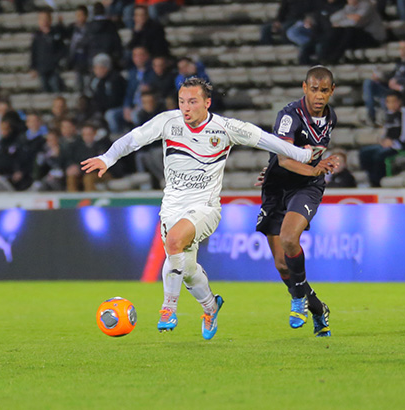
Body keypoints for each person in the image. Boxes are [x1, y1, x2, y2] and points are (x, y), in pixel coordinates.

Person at [82, 77, 335, 340]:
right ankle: (211, 306)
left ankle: (168, 309)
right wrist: (107, 158)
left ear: (207, 103)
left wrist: (303, 155)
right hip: (171, 208)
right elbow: (133, 139)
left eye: (192, 102)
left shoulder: (225, 128)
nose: (186, 108)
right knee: (187, 269)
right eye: (182, 101)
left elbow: (265, 140)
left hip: (205, 207)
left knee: (174, 241)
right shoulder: (168, 122)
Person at [256, 66, 340, 337]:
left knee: (290, 239)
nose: (319, 96)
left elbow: (311, 156)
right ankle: (318, 309)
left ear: (332, 91)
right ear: (305, 88)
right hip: (277, 189)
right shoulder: (289, 117)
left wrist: (316, 171)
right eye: (314, 89)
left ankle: (298, 299)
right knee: (282, 264)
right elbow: (283, 159)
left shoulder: (330, 117)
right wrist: (275, 170)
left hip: (306, 187)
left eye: (324, 90)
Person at [359, 91, 405, 187]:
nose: (391, 104)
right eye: (388, 102)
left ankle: (379, 182)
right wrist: (383, 140)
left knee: (379, 155)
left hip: (401, 145)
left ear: (400, 102)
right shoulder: (388, 114)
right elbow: (386, 130)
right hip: (388, 144)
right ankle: (371, 178)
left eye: (394, 101)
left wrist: (394, 142)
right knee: (364, 152)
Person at [29, 8, 67, 92]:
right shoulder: (37, 36)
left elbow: (62, 49)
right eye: (42, 19)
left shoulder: (56, 33)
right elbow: (34, 52)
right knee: (45, 89)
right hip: (42, 68)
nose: (44, 21)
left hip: (54, 68)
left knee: (56, 87)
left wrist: (56, 60)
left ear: (50, 20)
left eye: (46, 18)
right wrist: (33, 68)